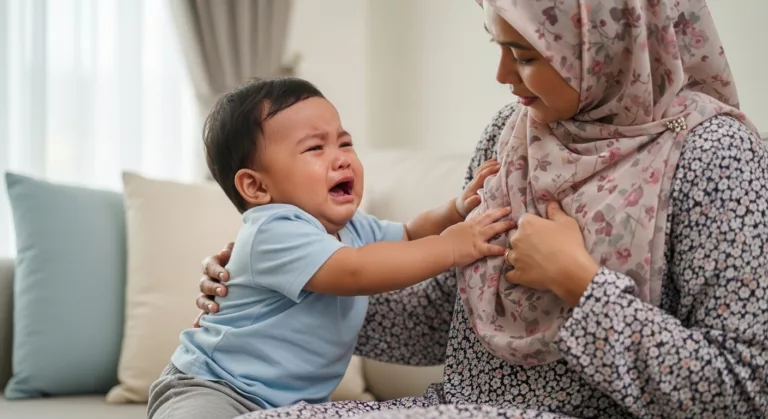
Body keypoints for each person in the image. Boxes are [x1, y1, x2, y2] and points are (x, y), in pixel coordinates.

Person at [195, 0, 768, 418]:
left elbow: (744, 390)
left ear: (606, 43)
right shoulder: (515, 131)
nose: (501, 77)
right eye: (500, 47)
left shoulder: (715, 154)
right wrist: (276, 291)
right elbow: (444, 319)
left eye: (523, 55)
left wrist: (580, 284)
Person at [147, 77, 515, 419]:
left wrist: (455, 210)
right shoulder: (274, 230)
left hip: (286, 407)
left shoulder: (353, 227)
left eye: (344, 142)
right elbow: (355, 271)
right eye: (315, 148)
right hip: (212, 388)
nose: (341, 157)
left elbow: (408, 234)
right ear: (256, 188)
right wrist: (450, 248)